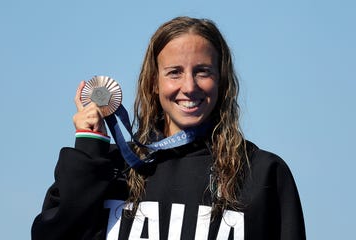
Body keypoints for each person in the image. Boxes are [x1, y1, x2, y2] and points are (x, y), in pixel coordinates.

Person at [32, 16, 306, 240]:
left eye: (203, 72)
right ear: (154, 82)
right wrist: (89, 146)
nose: (189, 86)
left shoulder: (261, 173)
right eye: (174, 72)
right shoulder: (112, 170)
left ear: (221, 82)